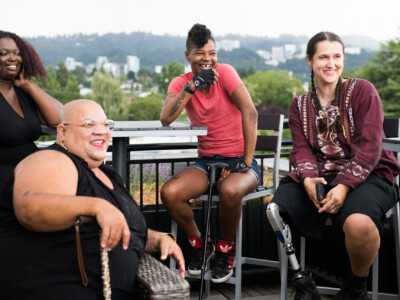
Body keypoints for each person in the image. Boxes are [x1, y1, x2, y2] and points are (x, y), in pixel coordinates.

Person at [0, 99, 185, 300]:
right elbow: (30, 208)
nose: (101, 131)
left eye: (106, 124)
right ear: (62, 132)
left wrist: (158, 238)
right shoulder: (52, 159)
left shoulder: (110, 175)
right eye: (89, 125)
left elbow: (121, 228)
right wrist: (97, 206)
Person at [267, 32, 400, 300]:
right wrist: (307, 178)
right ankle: (302, 281)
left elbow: (370, 147)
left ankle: (355, 288)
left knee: (359, 224)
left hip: (369, 173)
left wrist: (343, 187)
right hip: (321, 173)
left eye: (336, 56)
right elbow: (301, 148)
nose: (331, 63)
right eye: (323, 57)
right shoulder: (299, 105)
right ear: (309, 60)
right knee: (274, 208)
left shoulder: (363, 91)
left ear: (343, 60)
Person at [160, 23, 259, 283]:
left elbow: (250, 113)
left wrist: (245, 163)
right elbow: (166, 119)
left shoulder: (225, 73)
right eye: (200, 53)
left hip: (240, 160)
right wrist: (192, 86)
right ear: (187, 56)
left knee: (229, 189)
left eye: (212, 53)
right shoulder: (181, 83)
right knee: (170, 192)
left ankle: (226, 250)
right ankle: (202, 246)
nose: (208, 59)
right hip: (206, 162)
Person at [0, 30, 62, 193]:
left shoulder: (22, 93)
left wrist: (29, 85)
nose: (13, 58)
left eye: (18, 53)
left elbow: (58, 117)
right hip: (6, 185)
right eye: (4, 53)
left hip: (31, 177)